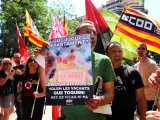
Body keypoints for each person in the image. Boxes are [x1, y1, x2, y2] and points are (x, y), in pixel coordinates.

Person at [60, 20, 116, 120]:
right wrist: (42, 58)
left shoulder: (104, 61)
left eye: (94, 33)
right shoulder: (63, 59)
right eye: (87, 32)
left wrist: (99, 100)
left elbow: (110, 94)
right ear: (76, 36)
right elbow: (49, 88)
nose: (92, 35)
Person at [105, 41, 147, 120]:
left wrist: (143, 118)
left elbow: (141, 99)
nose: (117, 54)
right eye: (114, 51)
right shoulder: (102, 73)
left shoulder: (132, 73)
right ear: (106, 55)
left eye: (119, 51)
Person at [17, 55, 46, 120]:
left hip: (37, 103)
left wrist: (40, 95)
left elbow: (48, 91)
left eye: (35, 61)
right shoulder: (23, 75)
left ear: (38, 64)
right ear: (27, 63)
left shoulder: (41, 76)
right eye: (31, 60)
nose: (33, 62)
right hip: (25, 103)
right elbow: (19, 84)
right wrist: (19, 93)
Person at [134, 43, 159, 111]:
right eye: (139, 48)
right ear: (136, 50)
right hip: (140, 98)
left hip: (151, 99)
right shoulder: (135, 66)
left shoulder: (152, 64)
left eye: (143, 49)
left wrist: (141, 87)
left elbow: (157, 83)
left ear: (146, 51)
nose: (141, 50)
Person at [12, 53, 25, 120]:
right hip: (14, 90)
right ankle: (18, 117)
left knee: (22, 106)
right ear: (14, 59)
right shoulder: (12, 68)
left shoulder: (24, 66)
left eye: (18, 57)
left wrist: (21, 74)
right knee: (17, 106)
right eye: (15, 57)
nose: (17, 58)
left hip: (22, 90)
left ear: (20, 58)